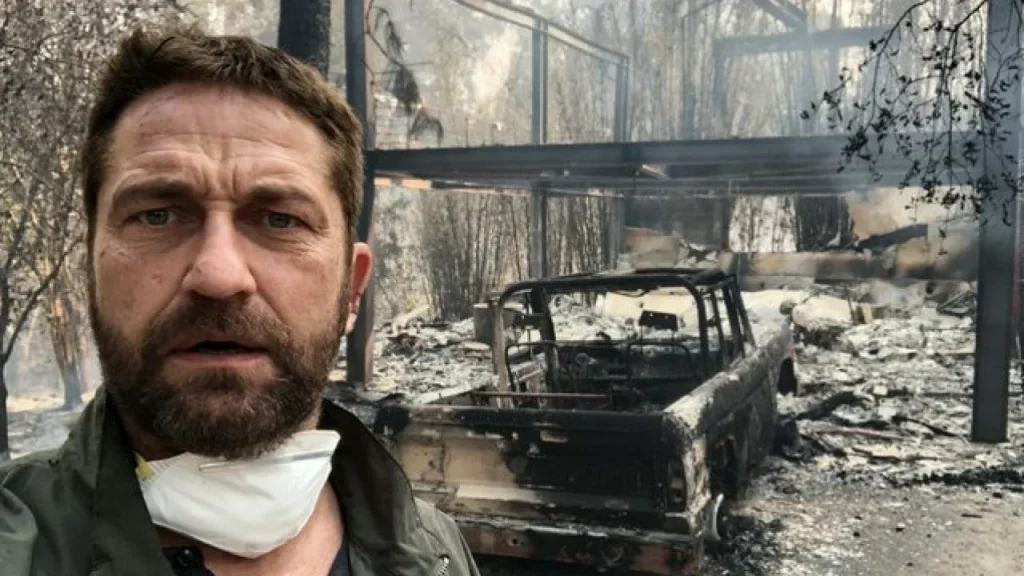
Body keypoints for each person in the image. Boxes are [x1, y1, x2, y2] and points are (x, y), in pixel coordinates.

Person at [0, 25, 480, 576]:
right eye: (157, 215)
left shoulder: (434, 551)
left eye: (280, 219)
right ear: (91, 266)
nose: (219, 275)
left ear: (352, 289)